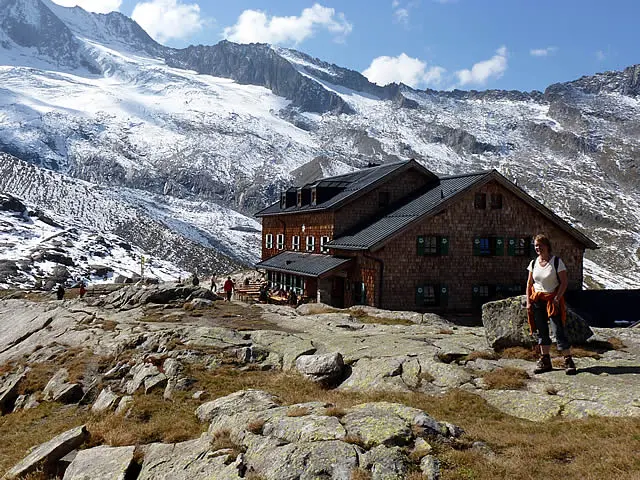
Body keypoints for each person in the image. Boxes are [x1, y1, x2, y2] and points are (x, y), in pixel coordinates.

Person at [526, 234, 576, 375]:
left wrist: (557, 297)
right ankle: (545, 360)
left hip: (552, 301)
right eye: (536, 246)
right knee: (542, 331)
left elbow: (564, 282)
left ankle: (568, 360)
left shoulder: (556, 262)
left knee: (558, 330)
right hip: (537, 300)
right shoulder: (533, 263)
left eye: (540, 245)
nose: (538, 248)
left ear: (547, 246)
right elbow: (530, 284)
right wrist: (529, 302)